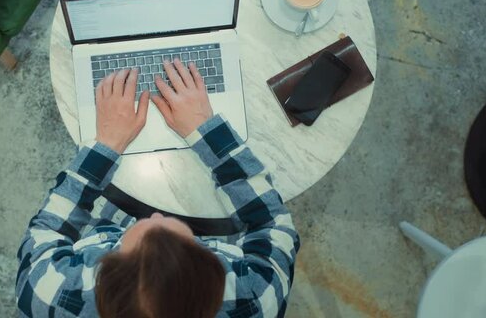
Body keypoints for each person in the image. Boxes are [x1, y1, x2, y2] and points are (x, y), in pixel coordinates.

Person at [15, 59, 300, 318]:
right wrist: (205, 129)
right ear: (213, 272)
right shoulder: (258, 298)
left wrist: (106, 144)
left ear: (104, 270)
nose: (155, 216)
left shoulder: (46, 292)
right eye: (188, 244)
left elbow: (47, 231)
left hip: (105, 220)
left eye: (137, 241)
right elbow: (271, 222)